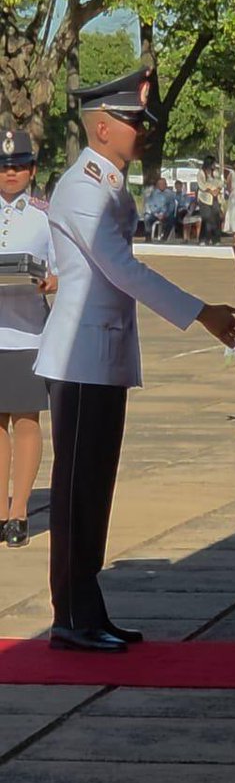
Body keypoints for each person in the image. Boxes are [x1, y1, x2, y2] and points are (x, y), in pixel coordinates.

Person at [35, 69, 235, 653]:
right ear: (102, 127)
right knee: (78, 490)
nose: (143, 129)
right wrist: (200, 312)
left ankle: (87, 609)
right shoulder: (84, 187)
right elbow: (121, 269)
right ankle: (71, 615)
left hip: (99, 353)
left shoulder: (107, 182)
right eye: (133, 120)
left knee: (94, 487)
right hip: (80, 356)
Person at [0, 131, 58, 548]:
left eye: (19, 166)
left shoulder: (44, 217)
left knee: (25, 421)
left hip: (27, 332)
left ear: (33, 171)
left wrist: (51, 282)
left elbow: (64, 269)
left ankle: (19, 511)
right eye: (4, 167)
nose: (11, 174)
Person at [197, 156, 222, 245]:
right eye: (213, 163)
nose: (214, 165)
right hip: (205, 198)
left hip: (215, 198)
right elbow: (201, 185)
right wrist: (210, 191)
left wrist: (217, 190)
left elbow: (220, 183)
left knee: (216, 218)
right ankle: (203, 239)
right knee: (206, 218)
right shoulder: (201, 173)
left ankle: (216, 239)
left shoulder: (215, 173)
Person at [144, 176, 175, 241]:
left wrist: (165, 214)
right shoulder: (153, 193)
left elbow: (172, 206)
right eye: (160, 184)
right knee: (147, 218)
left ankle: (164, 237)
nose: (162, 185)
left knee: (172, 219)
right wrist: (156, 214)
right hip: (155, 214)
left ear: (166, 184)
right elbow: (150, 204)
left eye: (163, 184)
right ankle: (148, 237)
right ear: (157, 185)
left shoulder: (170, 194)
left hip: (165, 214)